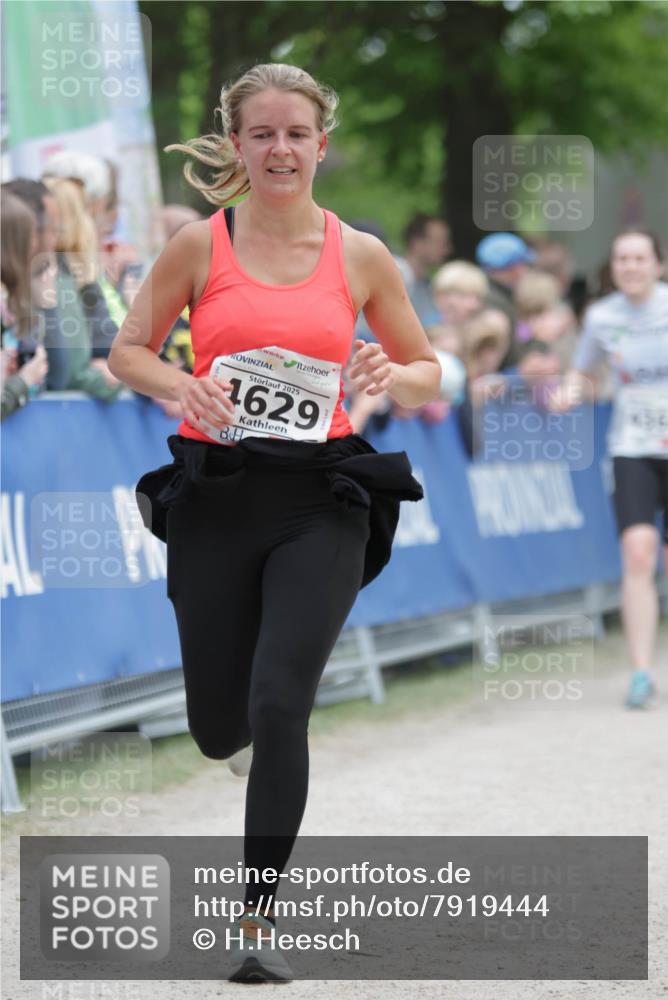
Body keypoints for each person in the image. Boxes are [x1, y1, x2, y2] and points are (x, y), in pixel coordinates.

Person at [107, 63, 440, 982]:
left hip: (320, 499)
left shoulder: (361, 254)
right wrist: (181, 383)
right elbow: (125, 352)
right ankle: (239, 746)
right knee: (220, 727)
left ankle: (255, 928)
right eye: (262, 134)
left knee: (279, 700)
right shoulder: (196, 245)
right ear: (238, 145)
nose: (281, 149)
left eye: (297, 134)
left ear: (321, 145)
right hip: (217, 496)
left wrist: (389, 377)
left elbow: (427, 370)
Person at [550, 228, 668, 709]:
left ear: (658, 265)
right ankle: (640, 672)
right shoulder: (601, 317)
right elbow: (584, 371)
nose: (631, 267)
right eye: (622, 259)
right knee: (638, 553)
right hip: (633, 446)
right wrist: (569, 393)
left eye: (640, 258)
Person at [397, 213, 452, 326]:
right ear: (417, 243)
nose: (447, 249)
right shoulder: (396, 273)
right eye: (440, 242)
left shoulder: (428, 285)